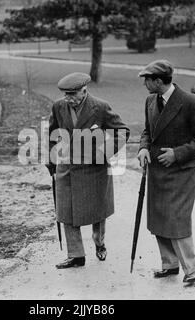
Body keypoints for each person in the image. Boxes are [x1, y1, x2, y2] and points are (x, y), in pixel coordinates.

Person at [137, 60, 195, 283]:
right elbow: (147, 131)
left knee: (177, 218)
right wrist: (143, 148)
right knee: (159, 217)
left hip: (182, 170)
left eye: (147, 80)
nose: (145, 84)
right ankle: (169, 265)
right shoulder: (150, 100)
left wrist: (177, 153)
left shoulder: (191, 102)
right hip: (157, 170)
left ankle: (191, 269)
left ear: (159, 81)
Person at [47, 72, 130, 269]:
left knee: (96, 210)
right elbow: (52, 133)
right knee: (65, 210)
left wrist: (103, 153)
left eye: (72, 94)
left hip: (94, 169)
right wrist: (51, 163)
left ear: (84, 91)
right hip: (67, 167)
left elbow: (122, 131)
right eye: (65, 94)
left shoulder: (100, 107)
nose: (68, 98)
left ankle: (99, 241)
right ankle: (76, 255)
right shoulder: (59, 106)